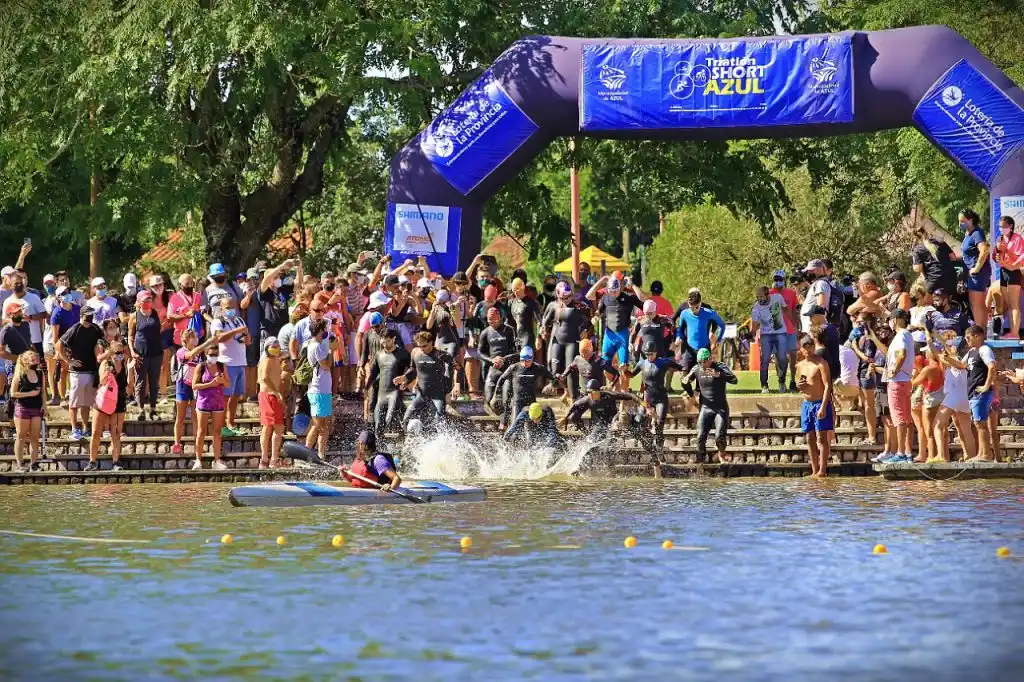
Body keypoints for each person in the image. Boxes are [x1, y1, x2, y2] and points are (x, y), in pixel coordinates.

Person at [943, 325, 997, 462]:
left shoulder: (984, 350)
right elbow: (961, 365)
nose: (967, 341)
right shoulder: (972, 351)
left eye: (969, 337)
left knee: (981, 423)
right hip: (973, 392)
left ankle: (986, 455)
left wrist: (986, 386)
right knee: (978, 423)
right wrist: (948, 359)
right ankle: (981, 453)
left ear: (977, 336)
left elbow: (992, 367)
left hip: (980, 392)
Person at [679, 347, 736, 463]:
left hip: (720, 408)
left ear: (710, 359)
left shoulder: (720, 366)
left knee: (719, 436)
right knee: (700, 437)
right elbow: (684, 382)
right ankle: (701, 464)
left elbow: (734, 380)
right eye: (699, 362)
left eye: (704, 361)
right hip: (705, 408)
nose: (702, 365)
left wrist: (718, 375)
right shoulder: (697, 368)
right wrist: (692, 393)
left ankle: (722, 452)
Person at [589, 274, 646, 390]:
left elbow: (644, 301)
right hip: (609, 335)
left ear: (620, 288)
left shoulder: (629, 298)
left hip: (622, 335)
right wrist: (595, 318)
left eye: (616, 291)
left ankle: (623, 398)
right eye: (611, 291)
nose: (614, 294)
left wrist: (633, 284)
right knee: (605, 365)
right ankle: (617, 386)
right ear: (608, 289)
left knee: (624, 367)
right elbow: (598, 311)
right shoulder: (605, 297)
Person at [55, 306, 104, 441]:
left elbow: (102, 342)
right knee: (74, 402)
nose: (90, 317)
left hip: (91, 371)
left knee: (86, 403)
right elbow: (59, 344)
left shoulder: (95, 329)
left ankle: (84, 427)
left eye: (91, 314)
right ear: (82, 315)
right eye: (87, 315)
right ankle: (74, 429)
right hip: (77, 372)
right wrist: (68, 360)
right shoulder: (74, 329)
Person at [86, 320, 128, 472]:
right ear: (111, 352)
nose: (119, 355)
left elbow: (126, 384)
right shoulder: (105, 363)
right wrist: (109, 370)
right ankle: (92, 461)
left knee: (115, 432)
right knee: (96, 431)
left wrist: (121, 364)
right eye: (116, 353)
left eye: (121, 353)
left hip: (119, 399)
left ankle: (116, 461)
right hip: (104, 399)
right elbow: (102, 380)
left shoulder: (124, 365)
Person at [171, 328, 218, 455]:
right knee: (180, 418)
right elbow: (190, 355)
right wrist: (206, 343)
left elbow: (203, 353)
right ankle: (177, 443)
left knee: (195, 418)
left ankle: (197, 444)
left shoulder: (200, 354)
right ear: (186, 340)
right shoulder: (181, 351)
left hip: (195, 386)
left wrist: (211, 342)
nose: (195, 339)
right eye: (193, 337)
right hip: (182, 386)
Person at [876, 309, 915, 462]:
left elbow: (902, 353)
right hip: (905, 381)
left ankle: (900, 453)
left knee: (899, 418)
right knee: (906, 419)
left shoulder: (901, 335)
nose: (889, 323)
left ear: (896, 319)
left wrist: (893, 371)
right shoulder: (907, 335)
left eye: (890, 320)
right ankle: (907, 453)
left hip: (897, 381)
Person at [492, 346, 560, 430]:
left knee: (532, 427)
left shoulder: (537, 368)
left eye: (527, 361)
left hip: (531, 402)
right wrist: (496, 395)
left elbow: (554, 378)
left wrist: (552, 385)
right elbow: (501, 379)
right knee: (515, 426)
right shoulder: (514, 367)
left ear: (532, 359)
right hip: (517, 402)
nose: (525, 363)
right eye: (522, 360)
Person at [398, 330, 456, 428]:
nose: (421, 349)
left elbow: (457, 368)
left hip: (437, 395)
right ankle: (412, 440)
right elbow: (413, 370)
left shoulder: (440, 354)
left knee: (439, 423)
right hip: (421, 395)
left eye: (424, 346)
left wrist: (452, 387)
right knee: (405, 420)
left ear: (431, 342)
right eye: (419, 346)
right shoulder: (415, 353)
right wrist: (405, 379)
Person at [635, 340, 685, 451]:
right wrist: (622, 371)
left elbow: (679, 367)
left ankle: (659, 447)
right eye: (647, 354)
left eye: (651, 354)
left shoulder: (663, 362)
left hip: (660, 399)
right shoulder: (642, 363)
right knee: (639, 420)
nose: (649, 356)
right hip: (647, 399)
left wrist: (684, 370)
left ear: (656, 353)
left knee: (659, 424)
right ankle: (647, 442)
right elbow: (630, 375)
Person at [541, 281, 589, 398]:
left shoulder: (577, 306)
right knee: (554, 368)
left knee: (571, 369)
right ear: (558, 295)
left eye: (568, 297)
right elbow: (545, 321)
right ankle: (562, 389)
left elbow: (586, 320)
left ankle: (573, 397)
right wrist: (542, 329)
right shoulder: (553, 306)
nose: (566, 300)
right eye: (563, 298)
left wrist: (585, 330)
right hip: (557, 339)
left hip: (572, 341)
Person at [795, 334, 833, 477]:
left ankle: (822, 470)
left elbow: (827, 385)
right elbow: (798, 384)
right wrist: (798, 385)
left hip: (819, 403)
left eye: (811, 346)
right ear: (801, 349)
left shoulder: (821, 363)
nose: (809, 349)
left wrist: (823, 406)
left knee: (821, 438)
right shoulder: (799, 365)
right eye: (806, 347)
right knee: (809, 437)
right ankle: (814, 469)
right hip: (806, 404)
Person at [211, 296, 251, 435]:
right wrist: (236, 331)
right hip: (227, 363)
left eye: (233, 306)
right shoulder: (218, 321)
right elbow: (219, 338)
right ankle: (221, 427)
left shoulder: (240, 320)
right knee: (225, 397)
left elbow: (248, 340)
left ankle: (231, 424)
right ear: (221, 308)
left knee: (236, 396)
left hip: (240, 362)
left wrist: (246, 336)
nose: (231, 310)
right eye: (228, 307)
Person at [560, 378, 641, 441]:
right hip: (599, 423)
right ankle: (586, 434)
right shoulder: (587, 399)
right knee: (573, 416)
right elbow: (574, 405)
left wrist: (643, 403)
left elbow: (629, 395)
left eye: (591, 392)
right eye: (588, 392)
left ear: (598, 391)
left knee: (616, 423)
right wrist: (565, 418)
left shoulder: (608, 395)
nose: (590, 395)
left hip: (612, 418)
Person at [191, 347, 231, 470]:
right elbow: (194, 385)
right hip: (203, 403)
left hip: (217, 403)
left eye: (216, 354)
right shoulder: (201, 367)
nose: (214, 356)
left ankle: (217, 460)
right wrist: (210, 384)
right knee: (201, 431)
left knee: (217, 432)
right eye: (211, 354)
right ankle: (198, 459)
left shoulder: (221, 366)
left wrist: (222, 380)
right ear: (206, 354)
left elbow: (228, 384)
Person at [367, 329, 411, 436]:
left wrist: (406, 379)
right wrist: (365, 388)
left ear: (393, 339)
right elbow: (373, 374)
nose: (385, 344)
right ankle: (381, 451)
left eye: (387, 341)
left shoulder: (402, 354)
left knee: (389, 420)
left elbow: (413, 369)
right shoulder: (379, 355)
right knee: (378, 428)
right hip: (381, 395)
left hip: (394, 393)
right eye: (382, 341)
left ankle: (402, 439)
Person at [9, 350, 48, 472]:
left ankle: (34, 464)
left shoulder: (40, 373)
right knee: (21, 437)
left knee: (35, 438)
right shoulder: (20, 374)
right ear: (25, 360)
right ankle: (19, 463)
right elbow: (13, 393)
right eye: (31, 358)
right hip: (23, 408)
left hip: (36, 408)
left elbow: (43, 392)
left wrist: (44, 406)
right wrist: (29, 394)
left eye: (35, 357)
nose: (34, 359)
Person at [128, 290, 163, 421]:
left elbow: (159, 330)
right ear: (139, 302)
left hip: (156, 353)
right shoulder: (134, 316)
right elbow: (130, 336)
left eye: (149, 299)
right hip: (140, 354)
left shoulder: (155, 314)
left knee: (154, 383)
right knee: (140, 383)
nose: (148, 302)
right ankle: (140, 409)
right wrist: (132, 352)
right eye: (145, 300)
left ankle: (153, 410)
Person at [304, 319, 335, 460]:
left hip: (324, 390)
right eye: (324, 329)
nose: (326, 331)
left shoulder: (319, 344)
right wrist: (332, 351)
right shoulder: (315, 346)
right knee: (317, 425)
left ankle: (321, 454)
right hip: (318, 391)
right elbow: (327, 365)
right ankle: (306, 454)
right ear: (320, 330)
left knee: (325, 425)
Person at [477, 307, 518, 415]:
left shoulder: (509, 330)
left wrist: (504, 359)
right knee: (489, 398)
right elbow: (479, 353)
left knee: (506, 399)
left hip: (507, 367)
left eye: (495, 320)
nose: (492, 322)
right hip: (494, 367)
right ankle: (497, 421)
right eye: (490, 320)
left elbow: (518, 352)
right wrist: (492, 360)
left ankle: (507, 420)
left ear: (500, 318)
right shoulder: (485, 332)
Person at [674, 288, 725, 373]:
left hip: (704, 348)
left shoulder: (709, 313)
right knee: (684, 378)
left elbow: (722, 326)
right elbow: (680, 328)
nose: (693, 310)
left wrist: (718, 340)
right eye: (691, 308)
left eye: (696, 307)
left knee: (702, 381)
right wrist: (679, 337)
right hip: (689, 349)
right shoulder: (684, 313)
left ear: (700, 303)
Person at [909, 340, 944, 463]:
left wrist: (916, 371)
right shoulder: (941, 366)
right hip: (940, 396)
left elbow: (914, 382)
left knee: (928, 430)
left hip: (930, 398)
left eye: (926, 353)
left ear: (930, 354)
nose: (925, 355)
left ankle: (931, 456)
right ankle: (942, 456)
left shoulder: (928, 368)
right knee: (939, 428)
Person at [750, 285, 789, 393]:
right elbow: (755, 324)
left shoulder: (777, 298)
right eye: (757, 297)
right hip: (766, 334)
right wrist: (751, 333)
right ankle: (764, 385)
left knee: (782, 357)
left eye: (761, 296)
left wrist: (793, 325)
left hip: (780, 332)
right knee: (765, 359)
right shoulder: (756, 307)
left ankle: (782, 382)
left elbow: (786, 310)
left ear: (768, 295)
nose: (759, 299)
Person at [256, 336, 287, 469]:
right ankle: (265, 459)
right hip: (268, 395)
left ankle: (273, 459)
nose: (275, 348)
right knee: (268, 427)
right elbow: (264, 378)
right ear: (267, 348)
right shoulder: (266, 360)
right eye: (273, 346)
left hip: (274, 396)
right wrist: (276, 392)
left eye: (277, 346)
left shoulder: (276, 359)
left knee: (278, 428)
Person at [45, 286, 78, 405]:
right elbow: (55, 338)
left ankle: (75, 396)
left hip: (77, 344)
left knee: (76, 371)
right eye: (64, 293)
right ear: (59, 297)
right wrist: (59, 352)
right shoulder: (56, 313)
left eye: (68, 292)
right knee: (64, 371)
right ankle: (63, 397)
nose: (67, 294)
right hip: (63, 345)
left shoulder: (77, 309)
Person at [849, 314, 878, 445]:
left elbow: (869, 358)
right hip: (860, 370)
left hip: (867, 371)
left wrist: (855, 347)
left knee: (869, 405)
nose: (858, 323)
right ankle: (870, 431)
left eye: (861, 321)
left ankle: (872, 437)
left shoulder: (869, 338)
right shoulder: (862, 337)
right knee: (863, 404)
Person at [770, 270, 801, 392]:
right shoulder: (769, 293)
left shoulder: (791, 293)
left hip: (790, 329)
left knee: (793, 355)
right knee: (779, 357)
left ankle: (793, 380)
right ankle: (781, 381)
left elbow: (794, 311)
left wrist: (797, 326)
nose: (777, 282)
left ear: (784, 280)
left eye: (780, 279)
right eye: (775, 279)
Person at [959, 209, 991, 328]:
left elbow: (984, 251)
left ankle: (980, 334)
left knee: (977, 306)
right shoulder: (968, 234)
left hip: (978, 274)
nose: (960, 224)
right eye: (959, 221)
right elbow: (968, 253)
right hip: (973, 273)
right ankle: (983, 333)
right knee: (978, 305)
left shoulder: (977, 233)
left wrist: (976, 268)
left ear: (970, 220)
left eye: (962, 221)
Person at [994, 215, 1024, 339]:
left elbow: (1019, 257)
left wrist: (1006, 250)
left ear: (1010, 226)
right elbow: (995, 255)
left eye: (1004, 226)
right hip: (1003, 271)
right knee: (1009, 304)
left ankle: (1015, 333)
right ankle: (1012, 332)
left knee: (1014, 304)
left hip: (1014, 271)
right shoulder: (1000, 238)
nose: (1002, 229)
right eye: (1000, 227)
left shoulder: (1017, 238)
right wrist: (996, 253)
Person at [911, 227, 957, 295]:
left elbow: (918, 268)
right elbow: (953, 257)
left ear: (916, 237)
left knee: (927, 299)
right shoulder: (939, 241)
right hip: (951, 276)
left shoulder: (917, 249)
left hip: (934, 280)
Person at [799, 260, 832, 333]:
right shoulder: (818, 283)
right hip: (811, 327)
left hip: (813, 328)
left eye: (810, 271)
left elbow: (821, 306)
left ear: (818, 269)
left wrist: (815, 330)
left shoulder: (821, 283)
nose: (808, 273)